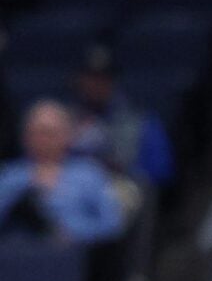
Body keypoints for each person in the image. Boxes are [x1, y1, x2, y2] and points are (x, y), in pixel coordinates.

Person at [0, 100, 128, 245]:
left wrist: (69, 232)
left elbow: (112, 225)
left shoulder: (88, 173)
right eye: (36, 132)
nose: (43, 140)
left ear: (67, 135)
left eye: (49, 133)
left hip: (77, 256)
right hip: (18, 257)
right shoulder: (10, 175)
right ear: (24, 137)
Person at [68, 43, 173, 195]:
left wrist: (123, 170)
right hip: (72, 195)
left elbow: (162, 172)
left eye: (103, 78)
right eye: (91, 78)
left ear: (114, 81)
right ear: (79, 80)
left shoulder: (143, 122)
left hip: (123, 194)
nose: (96, 85)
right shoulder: (61, 121)